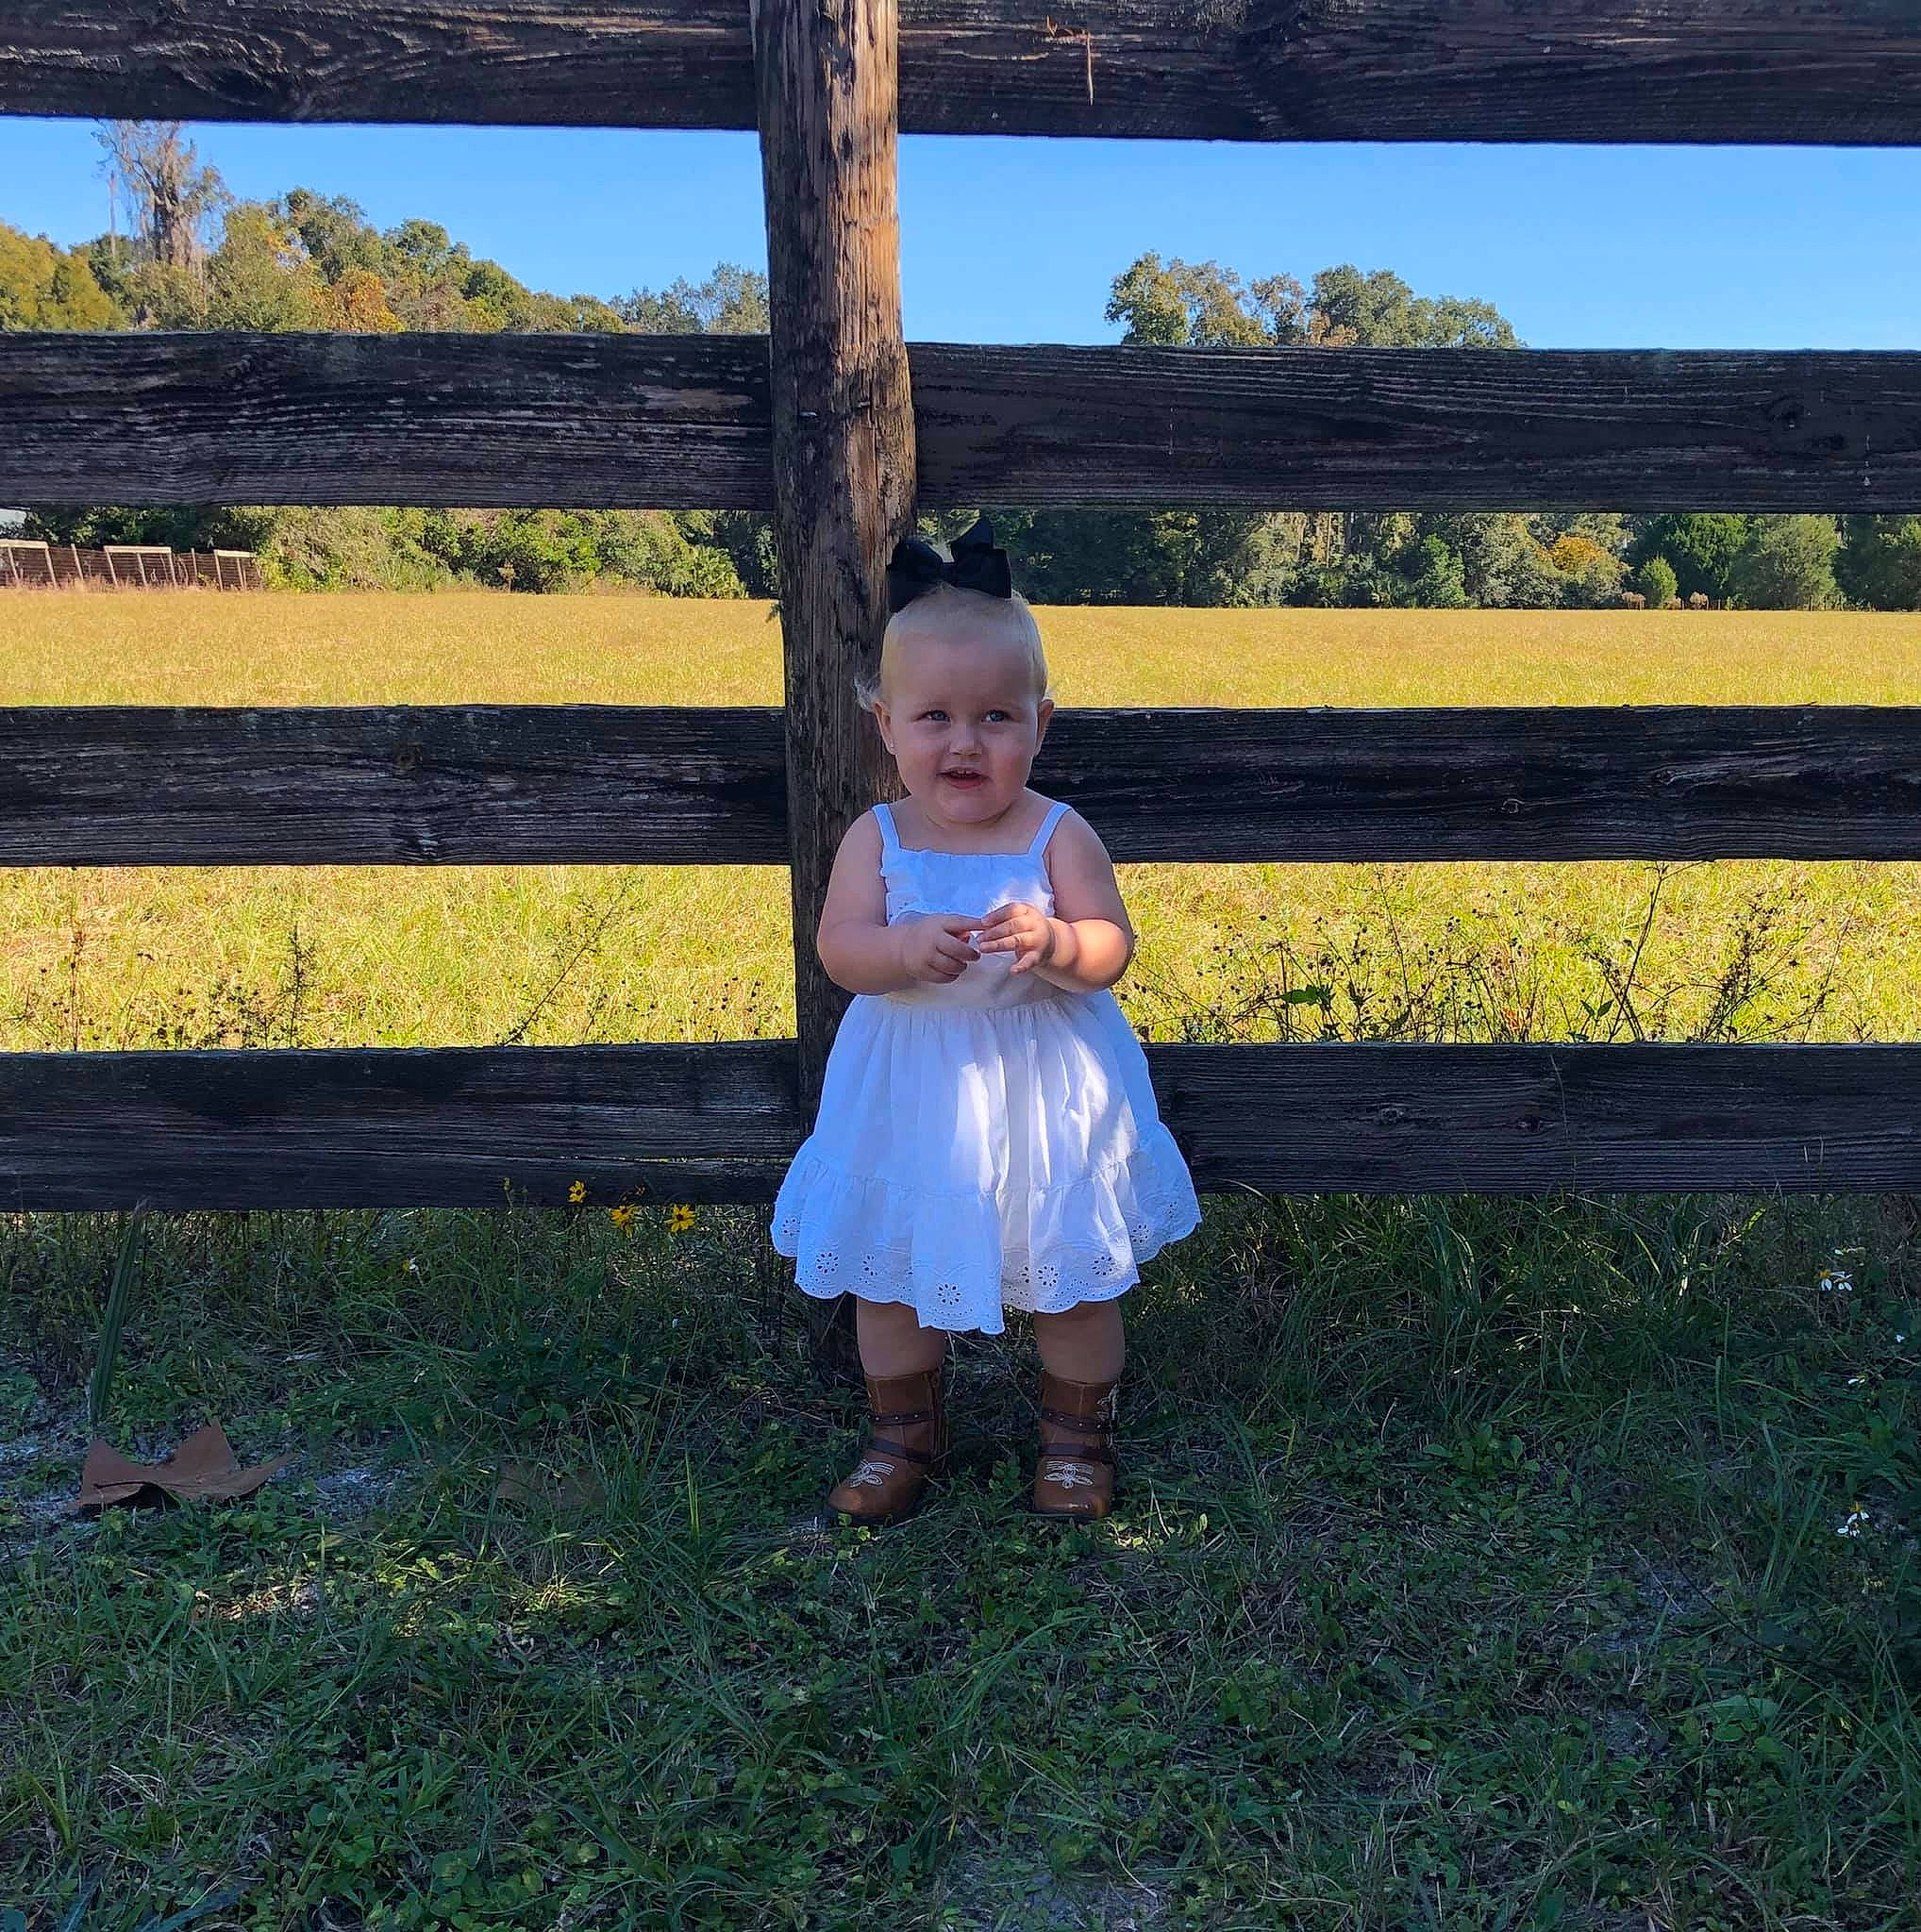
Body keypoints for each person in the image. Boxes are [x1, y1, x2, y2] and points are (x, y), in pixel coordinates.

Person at [770, 517, 1200, 1525]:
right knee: (888, 1275)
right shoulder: (873, 837)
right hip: (911, 1089)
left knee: (1071, 1279)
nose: (964, 741)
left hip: (1045, 1090)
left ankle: (1074, 1437)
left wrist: (1056, 942)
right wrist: (899, 953)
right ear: (884, 723)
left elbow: (1111, 946)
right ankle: (900, 1433)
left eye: (996, 718)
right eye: (934, 717)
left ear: (1039, 725)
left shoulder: (1057, 831)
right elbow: (839, 950)